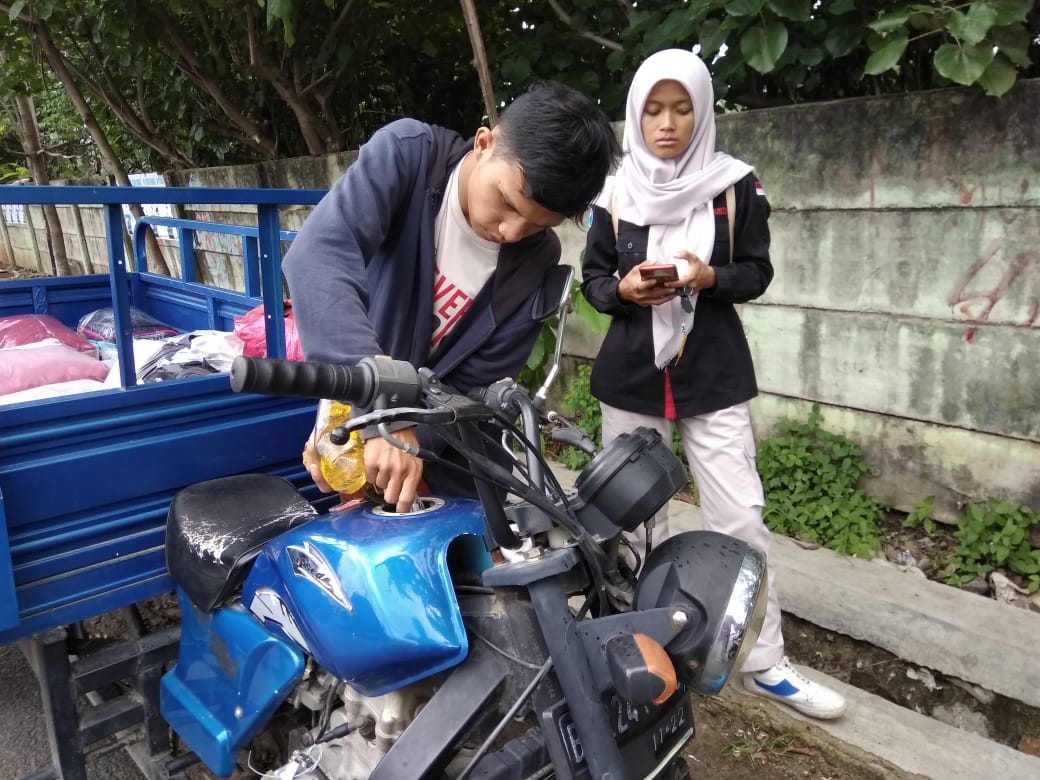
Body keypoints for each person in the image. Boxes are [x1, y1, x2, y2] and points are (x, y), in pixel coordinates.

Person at [580, 49, 847, 720]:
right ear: (636, 114)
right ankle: (638, 654)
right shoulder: (612, 195)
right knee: (635, 521)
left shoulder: (735, 185)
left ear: (701, 113)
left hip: (714, 371)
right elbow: (592, 284)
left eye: (681, 108)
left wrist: (708, 280)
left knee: (739, 516)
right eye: (653, 109)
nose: (666, 124)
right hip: (632, 374)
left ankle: (764, 660)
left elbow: (757, 271)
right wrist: (624, 287)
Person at [283, 83, 621, 513]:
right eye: (507, 203)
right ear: (485, 142)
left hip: (457, 470)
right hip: (360, 409)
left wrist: (396, 434)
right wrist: (372, 415)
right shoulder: (408, 157)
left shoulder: (537, 261)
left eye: (538, 225)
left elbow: (476, 394)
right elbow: (318, 257)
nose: (512, 232)